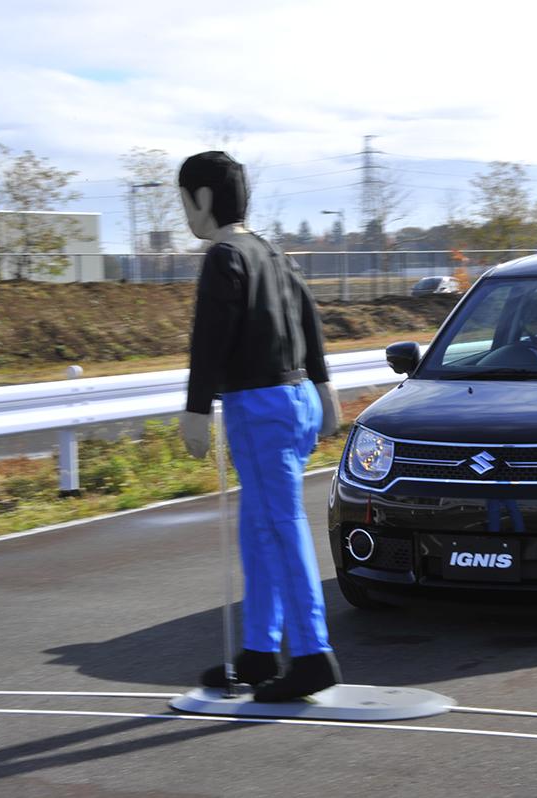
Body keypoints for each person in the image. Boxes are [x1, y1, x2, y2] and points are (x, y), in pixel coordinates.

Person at [178, 151, 344, 702]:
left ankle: (313, 654)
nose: (185, 213)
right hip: (295, 399)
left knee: (279, 523)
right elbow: (309, 320)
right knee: (259, 526)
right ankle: (257, 650)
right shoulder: (272, 253)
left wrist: (196, 408)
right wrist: (325, 390)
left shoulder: (224, 256)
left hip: (259, 406)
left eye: (185, 201)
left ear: (202, 199)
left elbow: (210, 337)